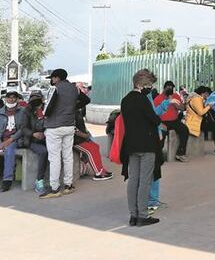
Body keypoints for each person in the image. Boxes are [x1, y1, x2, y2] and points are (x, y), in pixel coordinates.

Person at [119, 69, 162, 226]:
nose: (150, 88)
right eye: (148, 85)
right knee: (145, 181)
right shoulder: (143, 100)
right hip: (147, 144)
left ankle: (133, 215)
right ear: (139, 84)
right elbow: (154, 119)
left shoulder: (125, 100)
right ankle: (143, 215)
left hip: (131, 144)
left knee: (133, 180)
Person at [41, 68, 84, 199]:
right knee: (67, 155)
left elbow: (47, 109)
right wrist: (72, 108)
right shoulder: (74, 89)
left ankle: (55, 189)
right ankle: (68, 185)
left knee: (54, 157)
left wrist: (44, 114)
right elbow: (85, 100)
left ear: (57, 78)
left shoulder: (55, 89)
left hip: (54, 126)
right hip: (69, 125)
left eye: (53, 78)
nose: (52, 81)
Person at [184, 86, 215, 157]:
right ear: (204, 93)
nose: (208, 96)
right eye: (207, 94)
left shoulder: (198, 98)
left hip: (197, 122)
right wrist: (209, 106)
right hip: (194, 123)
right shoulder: (196, 99)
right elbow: (201, 112)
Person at [154, 81, 188, 159]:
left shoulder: (175, 96)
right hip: (163, 122)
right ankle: (158, 154)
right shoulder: (158, 98)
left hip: (174, 120)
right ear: (164, 88)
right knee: (161, 134)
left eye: (172, 87)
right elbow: (155, 113)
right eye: (168, 87)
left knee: (185, 130)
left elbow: (182, 108)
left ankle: (180, 153)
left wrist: (174, 103)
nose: (170, 89)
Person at [74, 113, 113, 180]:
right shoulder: (69, 110)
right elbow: (72, 128)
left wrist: (86, 133)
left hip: (80, 138)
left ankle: (100, 169)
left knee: (95, 146)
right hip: (75, 140)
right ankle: (98, 173)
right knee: (91, 150)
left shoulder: (76, 109)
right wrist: (84, 135)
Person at [25, 92, 51, 195]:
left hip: (46, 138)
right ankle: (39, 180)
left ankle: (55, 180)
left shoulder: (46, 110)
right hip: (31, 140)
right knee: (43, 152)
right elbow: (23, 128)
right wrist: (33, 134)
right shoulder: (27, 112)